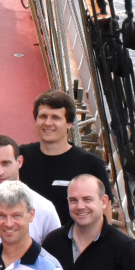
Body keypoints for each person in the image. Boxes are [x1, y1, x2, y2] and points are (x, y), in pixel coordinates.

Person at [19, 89, 112, 222]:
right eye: (43, 116)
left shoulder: (90, 164)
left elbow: (105, 215)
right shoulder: (21, 157)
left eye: (56, 117)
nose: (48, 123)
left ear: (69, 123)